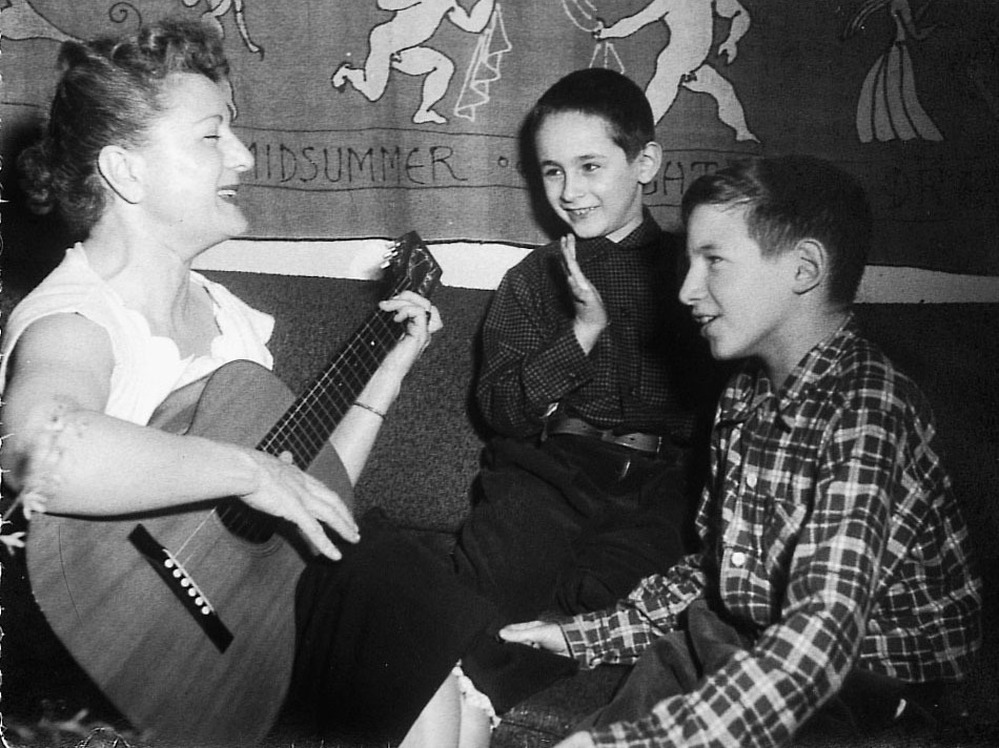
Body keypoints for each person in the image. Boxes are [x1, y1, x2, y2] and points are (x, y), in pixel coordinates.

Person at [0, 18, 558, 747]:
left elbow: (306, 498)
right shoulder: (77, 319)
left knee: (429, 664)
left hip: (237, 632)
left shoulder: (228, 319)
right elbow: (41, 452)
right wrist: (248, 470)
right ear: (125, 171)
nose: (243, 154)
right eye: (211, 136)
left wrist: (385, 376)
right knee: (396, 584)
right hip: (130, 649)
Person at [500, 155, 983, 747]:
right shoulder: (743, 396)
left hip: (872, 676)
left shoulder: (868, 408)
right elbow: (717, 571)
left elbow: (820, 635)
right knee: (670, 663)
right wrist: (587, 637)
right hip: (754, 635)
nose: (684, 290)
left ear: (803, 269)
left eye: (714, 262)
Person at [452, 67, 718, 622]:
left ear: (644, 163)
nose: (570, 193)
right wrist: (581, 333)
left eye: (590, 166)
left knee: (613, 601)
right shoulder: (532, 278)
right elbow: (500, 410)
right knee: (492, 586)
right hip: (551, 472)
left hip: (665, 485)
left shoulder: (696, 271)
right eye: (553, 172)